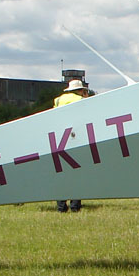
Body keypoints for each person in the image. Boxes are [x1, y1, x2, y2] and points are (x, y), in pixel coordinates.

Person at [53, 78, 89, 212]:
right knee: (77, 173)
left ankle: (61, 206)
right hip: (75, 138)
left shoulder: (58, 100)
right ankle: (75, 206)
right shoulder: (80, 100)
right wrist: (86, 98)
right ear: (80, 90)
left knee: (61, 173)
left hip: (59, 139)